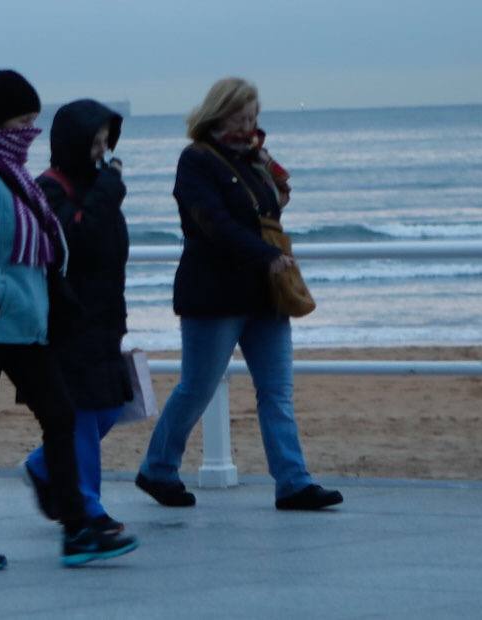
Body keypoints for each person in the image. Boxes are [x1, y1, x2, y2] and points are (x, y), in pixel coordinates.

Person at [0, 70, 137, 570]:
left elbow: (42, 246)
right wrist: (2, 293)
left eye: (33, 120)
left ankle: (76, 530)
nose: (31, 130)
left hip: (25, 326)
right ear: (1, 120)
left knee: (61, 416)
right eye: (23, 120)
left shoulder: (16, 173)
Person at [135, 77, 343, 511]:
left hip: (264, 294)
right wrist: (265, 255)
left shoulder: (254, 159)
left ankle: (293, 482)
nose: (248, 125)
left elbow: (264, 211)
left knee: (277, 390)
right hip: (214, 293)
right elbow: (213, 224)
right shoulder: (195, 161)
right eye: (240, 116)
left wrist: (274, 188)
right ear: (217, 113)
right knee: (198, 387)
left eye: (253, 117)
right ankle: (158, 468)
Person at [23, 99, 130, 534]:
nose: (103, 151)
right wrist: (111, 188)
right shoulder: (49, 189)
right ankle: (88, 507)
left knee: (110, 408)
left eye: (107, 141)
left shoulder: (94, 185)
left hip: (104, 315)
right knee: (84, 412)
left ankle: (43, 463)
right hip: (67, 319)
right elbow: (78, 237)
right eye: (95, 142)